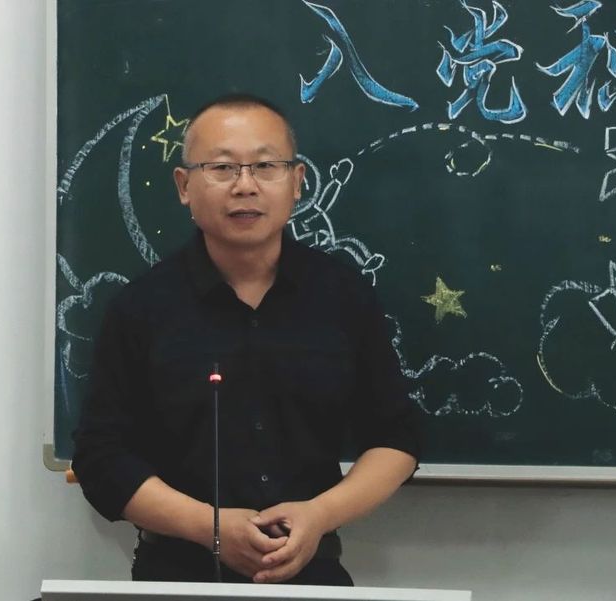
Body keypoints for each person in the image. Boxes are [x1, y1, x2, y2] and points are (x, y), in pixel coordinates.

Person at [72, 93, 420, 586]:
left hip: (313, 573)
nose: (245, 186)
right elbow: (100, 457)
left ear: (297, 181)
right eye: (221, 168)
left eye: (266, 166)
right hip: (176, 577)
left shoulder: (344, 298)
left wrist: (319, 515)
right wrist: (211, 528)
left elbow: (396, 438)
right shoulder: (140, 308)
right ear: (184, 186)